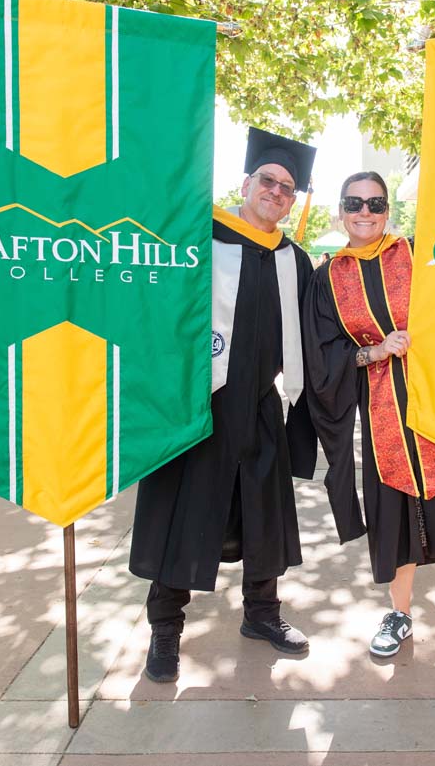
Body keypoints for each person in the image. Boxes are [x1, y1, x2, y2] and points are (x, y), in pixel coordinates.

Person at [302, 171, 435, 662]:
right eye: (354, 202)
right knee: (393, 516)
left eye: (376, 203)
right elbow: (321, 353)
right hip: (385, 415)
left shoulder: (420, 254)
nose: (365, 211)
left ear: (388, 212)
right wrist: (374, 351)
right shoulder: (327, 276)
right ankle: (399, 613)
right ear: (340, 211)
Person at [129, 128, 319, 683]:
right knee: (184, 516)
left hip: (261, 407)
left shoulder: (294, 260)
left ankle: (262, 615)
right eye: (268, 181)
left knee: (264, 518)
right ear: (247, 182)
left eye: (287, 188)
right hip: (199, 407)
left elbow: (312, 336)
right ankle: (165, 631)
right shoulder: (197, 240)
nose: (277, 193)